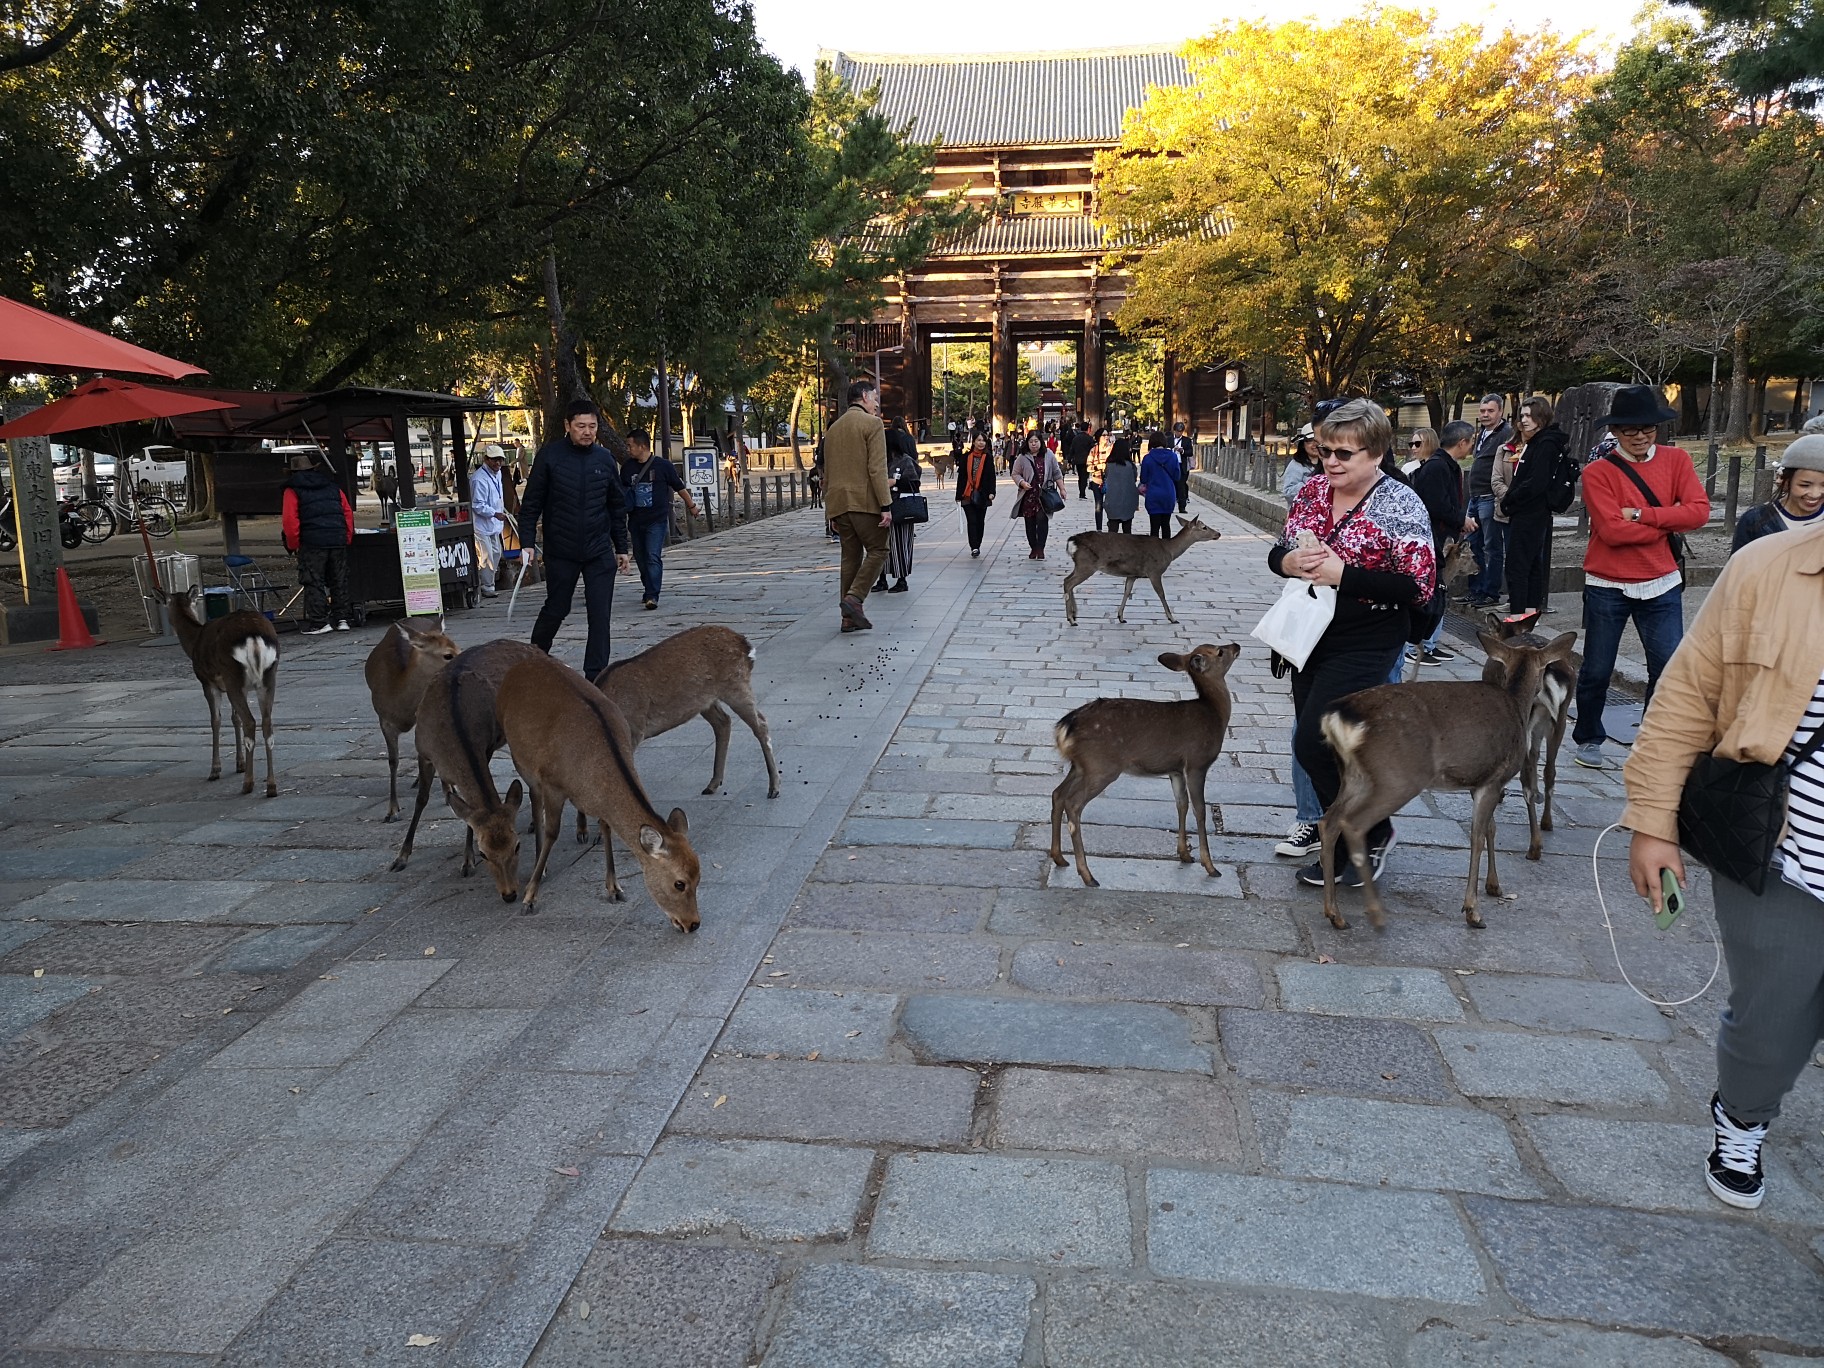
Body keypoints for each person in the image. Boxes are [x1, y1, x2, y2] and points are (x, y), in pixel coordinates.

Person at [1623, 516, 1824, 1211]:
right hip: (1784, 853)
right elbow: (1686, 697)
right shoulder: (1767, 568)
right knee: (1771, 1022)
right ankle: (1741, 1116)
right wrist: (1653, 822)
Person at [1269, 399, 1436, 887]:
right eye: (1326, 451)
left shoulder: (1400, 502)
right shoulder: (1313, 493)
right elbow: (1280, 549)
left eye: (1346, 453)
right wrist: (1288, 564)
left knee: (1316, 740)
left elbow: (1418, 585)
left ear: (1377, 453)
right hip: (1308, 631)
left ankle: (1364, 832)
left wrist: (1347, 574)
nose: (1332, 462)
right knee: (1321, 745)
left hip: (1368, 637)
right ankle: (1358, 834)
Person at [1571, 384, 1710, 769]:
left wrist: (1642, 515)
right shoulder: (1599, 471)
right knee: (1597, 667)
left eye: (1646, 428)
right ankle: (1588, 736)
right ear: (1614, 430)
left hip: (1661, 580)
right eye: (1629, 429)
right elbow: (1612, 533)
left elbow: (1699, 512)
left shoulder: (1676, 460)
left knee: (1666, 666)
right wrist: (1668, 519)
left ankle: (1652, 737)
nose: (1639, 436)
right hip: (1607, 582)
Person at [517, 399, 633, 676]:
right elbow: (531, 503)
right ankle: (534, 659)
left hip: (598, 550)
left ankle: (596, 676)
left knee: (600, 613)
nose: (587, 432)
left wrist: (622, 547)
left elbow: (617, 506)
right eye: (581, 426)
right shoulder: (550, 456)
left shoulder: (605, 460)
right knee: (557, 608)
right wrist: (526, 543)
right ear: (567, 426)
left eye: (592, 426)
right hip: (561, 549)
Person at [823, 378, 893, 632]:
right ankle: (854, 599)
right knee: (879, 549)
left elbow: (827, 473)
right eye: (874, 397)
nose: (876, 403)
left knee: (850, 557)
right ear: (864, 396)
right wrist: (886, 504)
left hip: (839, 503)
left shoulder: (833, 429)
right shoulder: (872, 424)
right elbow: (876, 467)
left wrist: (830, 510)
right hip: (864, 501)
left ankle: (848, 618)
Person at [1406, 420, 1473, 665]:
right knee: (1429, 591)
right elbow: (1435, 505)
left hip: (1443, 535)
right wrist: (1460, 519)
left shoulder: (1447, 466)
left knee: (1439, 591)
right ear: (1462, 442)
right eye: (1470, 441)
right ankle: (1416, 646)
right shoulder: (1437, 467)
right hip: (1432, 537)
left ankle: (1430, 644)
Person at [620, 430, 699, 611]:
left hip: (657, 520)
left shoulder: (663, 466)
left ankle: (652, 595)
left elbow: (679, 487)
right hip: (635, 520)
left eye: (630, 445)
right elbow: (620, 491)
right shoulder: (627, 467)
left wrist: (692, 506)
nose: (628, 449)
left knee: (653, 556)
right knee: (640, 557)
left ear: (642, 446)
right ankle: (648, 586)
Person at [281, 450, 356, 634]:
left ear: (292, 473)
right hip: (337, 538)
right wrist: (347, 536)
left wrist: (293, 544)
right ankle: (342, 618)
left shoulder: (292, 491)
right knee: (339, 579)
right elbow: (347, 513)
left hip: (312, 541)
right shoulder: (332, 487)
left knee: (313, 580)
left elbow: (290, 521)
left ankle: (320, 622)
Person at [1732, 435, 1824, 552]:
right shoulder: (1755, 520)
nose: (1815, 494)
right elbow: (1739, 566)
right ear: (1783, 480)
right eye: (1804, 485)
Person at [1464, 395, 1513, 606]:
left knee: (1491, 546)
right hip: (1475, 496)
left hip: (1490, 496)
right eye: (1483, 411)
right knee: (1472, 544)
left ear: (1500, 411)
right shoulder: (1483, 433)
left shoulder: (1506, 434)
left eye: (1490, 411)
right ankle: (1475, 589)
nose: (1485, 415)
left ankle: (1491, 592)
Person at [879, 421, 921, 593]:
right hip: (881, 507)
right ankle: (881, 578)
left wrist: (895, 482)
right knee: (879, 545)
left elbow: (914, 483)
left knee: (900, 545)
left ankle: (901, 579)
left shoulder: (905, 461)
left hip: (901, 508)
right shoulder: (878, 461)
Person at [1011, 431, 1064, 559]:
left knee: (1042, 520)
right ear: (1027, 443)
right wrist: (1022, 482)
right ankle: (1033, 547)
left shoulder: (1049, 455)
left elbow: (1057, 473)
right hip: (1028, 495)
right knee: (1029, 522)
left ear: (1041, 442)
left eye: (1036, 441)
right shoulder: (1022, 457)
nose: (1033, 444)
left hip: (1043, 495)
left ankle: (1041, 548)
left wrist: (1062, 489)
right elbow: (1015, 473)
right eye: (1031, 441)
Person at [470, 443, 508, 597]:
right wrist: (494, 513)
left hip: (494, 523)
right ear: (486, 459)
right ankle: (487, 586)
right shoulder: (478, 479)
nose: (498, 463)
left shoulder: (497, 474)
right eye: (494, 460)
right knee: (487, 555)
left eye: (500, 460)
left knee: (497, 552)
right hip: (482, 524)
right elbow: (477, 505)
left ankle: (488, 581)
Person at [955, 431, 995, 557]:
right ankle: (974, 546)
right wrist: (958, 494)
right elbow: (961, 476)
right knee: (971, 520)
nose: (981, 443)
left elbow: (991, 476)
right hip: (967, 493)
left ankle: (978, 542)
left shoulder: (988, 457)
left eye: (983, 440)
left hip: (982, 494)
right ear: (973, 442)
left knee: (980, 520)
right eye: (978, 440)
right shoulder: (966, 457)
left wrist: (992, 492)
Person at [1140, 432, 1181, 538]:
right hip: (1168, 493)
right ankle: (1167, 551)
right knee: (1166, 525)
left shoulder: (1148, 458)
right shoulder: (1172, 457)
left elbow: (1143, 479)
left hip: (1153, 494)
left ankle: (1155, 552)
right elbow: (1177, 476)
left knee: (1154, 527)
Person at [1101, 435, 1139, 534]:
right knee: (1127, 531)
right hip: (1128, 501)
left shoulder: (1109, 465)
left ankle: (1112, 548)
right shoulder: (1131, 466)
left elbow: (1107, 478)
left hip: (1112, 501)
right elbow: (1134, 479)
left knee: (1112, 531)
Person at [1282, 426, 1319, 506]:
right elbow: (1288, 492)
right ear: (1302, 444)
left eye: (1318, 441)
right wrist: (1310, 486)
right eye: (1310, 441)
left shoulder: (1328, 463)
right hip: (1304, 514)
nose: (1315, 445)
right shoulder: (1296, 465)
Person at [1065, 420, 1094, 500]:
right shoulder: (1089, 438)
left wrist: (1069, 460)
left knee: (1080, 476)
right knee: (1085, 476)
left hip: (1077, 460)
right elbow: (1092, 449)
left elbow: (1072, 449)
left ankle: (1081, 492)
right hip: (1086, 460)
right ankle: (1082, 492)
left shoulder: (1076, 438)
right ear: (1088, 428)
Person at [1172, 422, 1195, 513]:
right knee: (1171, 486)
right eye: (1178, 431)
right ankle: (1170, 505)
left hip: (1181, 465)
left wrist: (1182, 451)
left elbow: (1190, 452)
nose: (1179, 433)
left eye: (1181, 432)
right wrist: (1172, 449)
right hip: (1171, 465)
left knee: (1181, 486)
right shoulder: (1169, 440)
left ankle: (1182, 507)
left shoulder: (1186, 440)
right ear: (1174, 431)